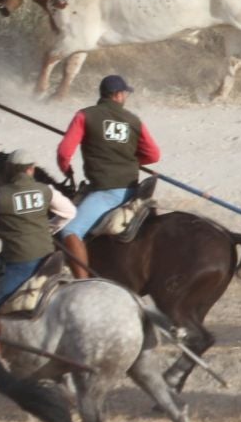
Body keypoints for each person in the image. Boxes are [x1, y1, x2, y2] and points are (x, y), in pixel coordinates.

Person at [0, 148, 75, 352]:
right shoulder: (46, 190)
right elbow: (70, 211)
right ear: (31, 169)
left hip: (20, 261)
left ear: (10, 170)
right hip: (50, 257)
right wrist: (50, 227)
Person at [54, 73, 161, 278]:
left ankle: (82, 283)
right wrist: (129, 161)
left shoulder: (84, 115)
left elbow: (64, 152)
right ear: (118, 95)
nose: (126, 97)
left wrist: (66, 168)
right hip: (133, 189)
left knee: (70, 231)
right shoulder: (134, 120)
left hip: (106, 192)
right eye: (125, 93)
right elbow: (154, 155)